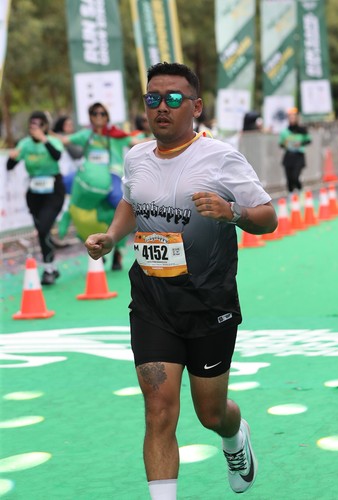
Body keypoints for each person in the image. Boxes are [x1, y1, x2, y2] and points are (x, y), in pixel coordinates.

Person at [84, 62, 277, 499]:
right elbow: (131, 202)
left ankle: (235, 437)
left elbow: (268, 217)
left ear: (197, 106)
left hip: (208, 302)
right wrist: (112, 237)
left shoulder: (220, 157)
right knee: (158, 410)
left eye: (174, 98)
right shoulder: (135, 156)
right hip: (152, 300)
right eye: (153, 98)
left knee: (211, 413)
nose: (162, 107)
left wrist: (232, 212)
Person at [55, 103, 136, 270]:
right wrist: (45, 134)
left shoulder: (116, 134)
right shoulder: (86, 134)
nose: (98, 116)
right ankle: (94, 246)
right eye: (94, 113)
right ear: (90, 116)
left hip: (111, 176)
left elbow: (135, 142)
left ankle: (118, 250)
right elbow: (64, 140)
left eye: (102, 113)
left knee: (118, 205)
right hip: (90, 178)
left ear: (107, 116)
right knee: (71, 192)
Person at [6, 111, 65, 285]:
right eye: (31, 124)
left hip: (53, 190)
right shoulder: (25, 144)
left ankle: (48, 268)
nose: (34, 128)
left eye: (38, 124)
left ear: (45, 126)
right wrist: (11, 158)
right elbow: (10, 165)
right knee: (42, 231)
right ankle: (51, 267)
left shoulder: (52, 141)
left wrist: (44, 140)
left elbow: (57, 156)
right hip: (34, 193)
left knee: (44, 227)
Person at [279, 108, 311, 195]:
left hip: (299, 156)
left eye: (293, 117)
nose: (292, 119)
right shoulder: (285, 132)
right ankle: (291, 196)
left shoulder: (302, 130)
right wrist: (286, 144)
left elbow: (308, 140)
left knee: (295, 177)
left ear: (297, 118)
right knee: (289, 178)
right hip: (288, 156)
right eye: (290, 117)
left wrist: (300, 143)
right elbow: (281, 144)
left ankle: (301, 192)